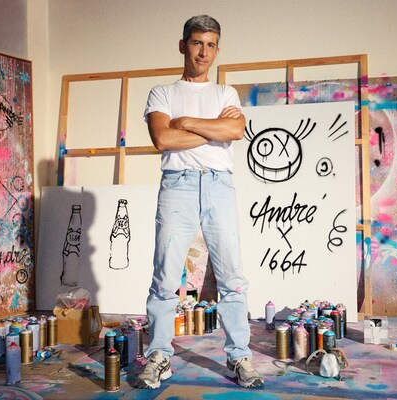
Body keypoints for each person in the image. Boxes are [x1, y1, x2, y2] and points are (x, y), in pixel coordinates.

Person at [135, 15, 264, 390]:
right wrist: (213, 130)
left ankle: (239, 355)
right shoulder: (162, 93)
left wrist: (186, 122)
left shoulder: (226, 94)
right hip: (177, 185)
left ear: (217, 50)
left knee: (232, 278)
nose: (203, 52)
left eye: (210, 45)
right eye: (196, 43)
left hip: (219, 185)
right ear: (183, 45)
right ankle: (159, 355)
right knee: (165, 277)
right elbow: (163, 139)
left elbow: (236, 130)